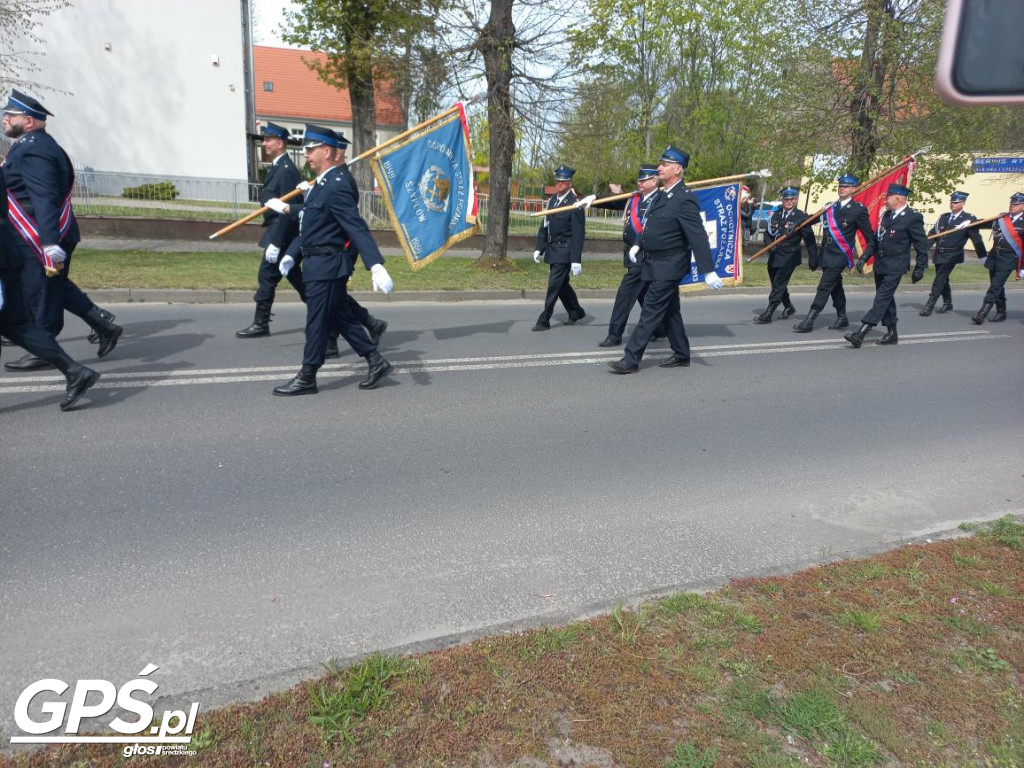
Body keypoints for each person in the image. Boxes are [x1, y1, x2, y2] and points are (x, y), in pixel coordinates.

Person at [263, 124, 394, 395]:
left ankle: (307, 376)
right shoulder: (323, 183)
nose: (307, 155)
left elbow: (355, 226)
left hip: (328, 265)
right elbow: (313, 221)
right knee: (339, 316)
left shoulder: (337, 184)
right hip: (317, 264)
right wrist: (291, 245)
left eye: (311, 150)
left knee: (316, 321)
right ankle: (375, 359)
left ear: (328, 151)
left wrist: (376, 264)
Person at [1, 90, 122, 371]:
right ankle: (102, 324)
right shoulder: (31, 145)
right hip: (36, 235)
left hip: (38, 237)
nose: (5, 119)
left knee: (39, 291)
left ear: (28, 121)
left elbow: (43, 196)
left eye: (10, 115)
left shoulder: (35, 149)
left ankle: (44, 350)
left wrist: (48, 243)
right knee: (54, 287)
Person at [608, 145, 723, 374]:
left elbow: (697, 235)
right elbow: (651, 226)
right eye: (660, 163)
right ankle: (681, 353)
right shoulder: (662, 196)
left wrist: (707, 270)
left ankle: (631, 359)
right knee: (670, 312)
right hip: (653, 263)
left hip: (669, 265)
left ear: (678, 169)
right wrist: (638, 245)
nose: (659, 167)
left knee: (650, 311)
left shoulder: (684, 199)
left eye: (665, 164)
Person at [0, 166, 99, 410]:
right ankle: (75, 371)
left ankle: (75, 371)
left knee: (14, 323)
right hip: (6, 250)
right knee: (15, 324)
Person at [236, 122, 306, 338]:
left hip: (282, 234)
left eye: (267, 140)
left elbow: (288, 212)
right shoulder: (278, 166)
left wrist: (276, 242)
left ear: (279, 143)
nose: (264, 143)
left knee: (267, 276)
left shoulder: (286, 170)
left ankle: (261, 323)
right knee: (299, 281)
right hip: (278, 232)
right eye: (264, 140)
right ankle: (338, 315)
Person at [844, 183, 929, 348]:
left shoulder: (912, 217)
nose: (885, 199)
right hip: (881, 263)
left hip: (896, 264)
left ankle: (862, 332)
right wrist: (864, 257)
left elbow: (922, 245)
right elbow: (876, 239)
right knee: (886, 299)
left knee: (881, 298)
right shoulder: (887, 216)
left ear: (898, 198)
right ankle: (892, 333)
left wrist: (920, 267)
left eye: (888, 197)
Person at [793, 174, 875, 333]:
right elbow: (812, 219)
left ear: (853, 189)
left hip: (840, 255)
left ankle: (810, 319)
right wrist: (798, 223)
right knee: (835, 286)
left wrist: (865, 256)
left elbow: (869, 236)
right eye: (840, 185)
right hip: (826, 253)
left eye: (846, 186)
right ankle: (842, 316)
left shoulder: (858, 210)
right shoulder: (830, 207)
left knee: (824, 286)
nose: (842, 188)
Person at [591, 164, 660, 347]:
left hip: (647, 254)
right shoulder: (634, 198)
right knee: (644, 294)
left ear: (654, 181)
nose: (639, 183)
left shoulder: (660, 200)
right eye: (639, 180)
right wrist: (593, 199)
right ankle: (661, 328)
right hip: (632, 252)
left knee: (626, 293)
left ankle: (614, 334)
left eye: (643, 180)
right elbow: (612, 202)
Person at [532, 165, 586, 331]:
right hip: (552, 248)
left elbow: (578, 234)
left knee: (554, 284)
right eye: (558, 181)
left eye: (563, 181)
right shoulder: (553, 200)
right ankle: (575, 311)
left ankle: (544, 319)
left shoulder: (575, 204)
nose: (559, 184)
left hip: (565, 250)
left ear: (570, 183)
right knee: (562, 285)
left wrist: (576, 259)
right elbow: (545, 225)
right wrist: (539, 248)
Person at [753, 186, 818, 323]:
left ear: (795, 200)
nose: (788, 201)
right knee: (776, 284)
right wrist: (769, 245)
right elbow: (767, 233)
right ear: (782, 200)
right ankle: (788, 306)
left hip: (790, 254)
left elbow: (810, 239)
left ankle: (769, 312)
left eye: (792, 199)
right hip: (775, 254)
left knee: (779, 283)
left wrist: (813, 258)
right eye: (786, 199)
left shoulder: (801, 217)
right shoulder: (775, 215)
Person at [921, 191, 987, 316]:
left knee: (939, 279)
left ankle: (929, 305)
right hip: (940, 253)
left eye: (956, 202)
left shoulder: (969, 219)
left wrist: (982, 256)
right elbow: (933, 235)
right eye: (952, 202)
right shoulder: (943, 217)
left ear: (963, 204)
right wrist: (922, 248)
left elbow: (976, 239)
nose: (953, 204)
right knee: (943, 279)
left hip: (953, 254)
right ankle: (948, 303)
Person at [971, 192, 1024, 324]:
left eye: (1016, 204)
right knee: (997, 285)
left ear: (1023, 206)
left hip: (1009, 257)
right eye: (1011, 203)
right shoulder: (1001, 218)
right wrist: (970, 223)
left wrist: (1023, 267)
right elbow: (981, 224)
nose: (1012, 206)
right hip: (995, 255)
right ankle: (1001, 312)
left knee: (995, 285)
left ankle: (982, 313)